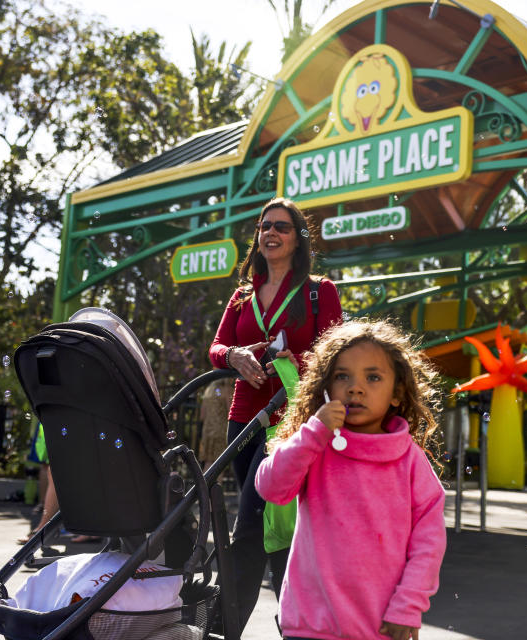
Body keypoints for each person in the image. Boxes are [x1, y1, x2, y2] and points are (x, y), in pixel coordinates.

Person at [255, 320, 445, 640]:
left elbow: (429, 544)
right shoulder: (315, 444)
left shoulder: (410, 459)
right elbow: (271, 487)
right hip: (311, 626)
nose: (356, 387)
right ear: (325, 387)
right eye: (343, 376)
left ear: (397, 393)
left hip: (383, 625)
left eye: (373, 377)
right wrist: (313, 432)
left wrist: (409, 605)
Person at [209, 197, 342, 631]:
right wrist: (233, 355)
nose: (271, 233)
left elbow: (335, 356)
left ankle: (219, 629)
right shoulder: (242, 293)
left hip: (291, 423)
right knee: (276, 534)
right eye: (265, 226)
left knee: (250, 530)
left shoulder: (320, 291)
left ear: (298, 237)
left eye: (283, 227)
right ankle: (298, 625)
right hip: (242, 422)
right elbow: (215, 348)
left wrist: (291, 357)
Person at [196, 377, 234, 471]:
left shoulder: (209, 391)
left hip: (207, 431)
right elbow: (231, 411)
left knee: (208, 462)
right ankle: (216, 485)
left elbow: (202, 415)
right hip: (221, 430)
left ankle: (205, 485)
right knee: (219, 464)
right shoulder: (227, 390)